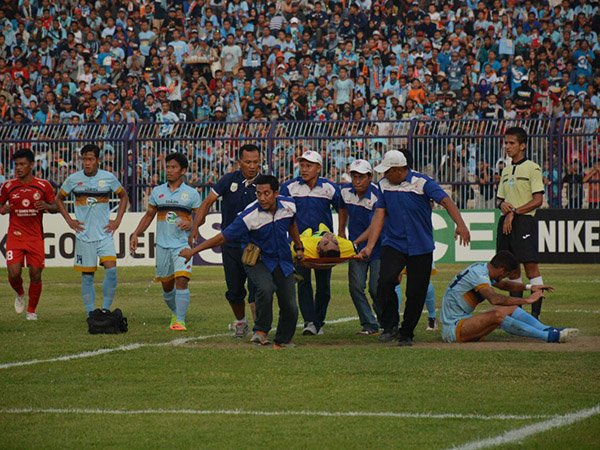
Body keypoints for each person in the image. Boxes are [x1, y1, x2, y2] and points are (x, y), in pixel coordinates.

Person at [358, 150, 471, 346]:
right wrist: (370, 246)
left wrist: (460, 224)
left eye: (387, 171)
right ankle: (390, 325)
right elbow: (379, 214)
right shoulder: (384, 185)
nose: (383, 175)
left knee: (416, 292)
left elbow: (446, 200)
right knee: (383, 283)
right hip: (394, 244)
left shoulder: (423, 182)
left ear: (400, 170)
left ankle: (406, 333)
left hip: (421, 245)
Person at [181, 175, 303, 349]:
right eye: (258, 194)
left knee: (290, 304)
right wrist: (194, 251)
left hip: (282, 261)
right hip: (257, 260)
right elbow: (222, 237)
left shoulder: (289, 205)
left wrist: (299, 246)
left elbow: (292, 225)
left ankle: (283, 340)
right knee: (266, 288)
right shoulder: (249, 215)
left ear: (276, 193)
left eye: (266, 193)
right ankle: (260, 332)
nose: (262, 198)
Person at [189, 144, 261, 338]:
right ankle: (241, 321)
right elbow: (207, 202)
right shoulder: (228, 180)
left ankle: (259, 329)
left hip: (256, 246)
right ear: (240, 163)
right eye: (248, 162)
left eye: (255, 162)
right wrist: (196, 226)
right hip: (230, 245)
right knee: (235, 290)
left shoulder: (265, 184)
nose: (252, 166)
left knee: (257, 289)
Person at [440, 251, 578, 344]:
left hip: (464, 322)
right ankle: (548, 337)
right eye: (505, 274)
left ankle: (547, 329)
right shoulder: (479, 275)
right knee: (497, 314)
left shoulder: (484, 269)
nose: (504, 277)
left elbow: (504, 285)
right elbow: (495, 299)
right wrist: (527, 300)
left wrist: (529, 287)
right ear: (501, 270)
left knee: (511, 308)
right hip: (453, 329)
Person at [130, 152, 201, 331]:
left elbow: (201, 218)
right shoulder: (157, 191)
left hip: (182, 245)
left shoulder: (191, 194)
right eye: (168, 167)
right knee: (167, 287)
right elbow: (149, 215)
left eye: (173, 167)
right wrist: (136, 233)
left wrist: (191, 223)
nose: (169, 170)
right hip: (162, 245)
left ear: (183, 170)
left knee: (182, 281)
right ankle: (176, 313)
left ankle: (180, 321)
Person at [55, 144, 129, 316]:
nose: (86, 163)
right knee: (87, 277)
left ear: (98, 160)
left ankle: (105, 309)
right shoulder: (73, 179)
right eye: (84, 159)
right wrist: (69, 220)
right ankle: (91, 314)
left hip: (104, 234)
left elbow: (123, 196)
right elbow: (58, 199)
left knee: (111, 272)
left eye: (90, 159)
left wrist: (117, 220)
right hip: (84, 235)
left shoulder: (108, 178)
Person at [280, 150, 341, 336]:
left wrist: (340, 232)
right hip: (299, 244)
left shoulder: (329, 187)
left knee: (324, 285)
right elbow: (283, 213)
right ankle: (309, 322)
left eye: (309, 166)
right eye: (302, 165)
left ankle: (319, 321)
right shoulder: (289, 187)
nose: (304, 169)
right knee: (303, 282)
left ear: (318, 168)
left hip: (324, 246)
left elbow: (343, 209)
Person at [0, 149, 56, 320]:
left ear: (31, 165)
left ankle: (31, 311)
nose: (18, 168)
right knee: (14, 273)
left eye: (22, 164)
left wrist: (46, 205)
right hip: (15, 236)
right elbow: (0, 207)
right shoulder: (8, 186)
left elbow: (55, 207)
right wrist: (4, 209)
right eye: (16, 164)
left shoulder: (43, 185)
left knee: (36, 274)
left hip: (35, 237)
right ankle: (20, 292)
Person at [496, 126, 546, 319]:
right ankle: (518, 314)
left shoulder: (532, 167)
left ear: (522, 146)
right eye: (506, 143)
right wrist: (504, 207)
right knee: (511, 268)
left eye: (511, 143)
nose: (507, 147)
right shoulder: (506, 170)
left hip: (524, 222)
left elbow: (537, 200)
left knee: (531, 267)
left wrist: (515, 212)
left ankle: (535, 315)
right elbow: (499, 200)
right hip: (506, 223)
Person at [338, 159, 381, 336]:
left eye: (361, 177)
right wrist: (341, 231)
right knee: (355, 287)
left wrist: (354, 243)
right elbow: (342, 209)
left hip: (378, 247)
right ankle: (369, 324)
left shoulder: (378, 195)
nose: (357, 181)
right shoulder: (345, 192)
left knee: (375, 288)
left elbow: (374, 227)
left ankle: (386, 320)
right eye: (354, 176)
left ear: (370, 177)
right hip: (356, 249)